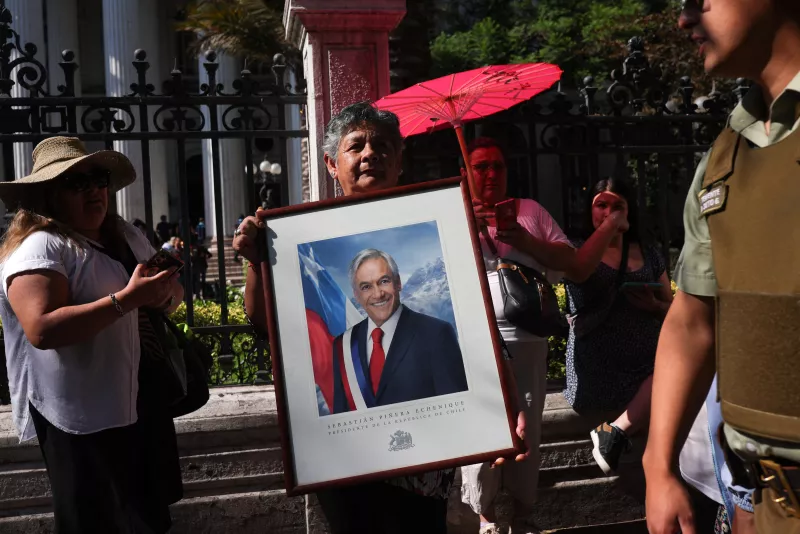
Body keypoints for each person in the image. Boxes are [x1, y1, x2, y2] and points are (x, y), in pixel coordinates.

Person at [234, 102, 527, 534]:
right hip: (345, 464)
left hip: (426, 463)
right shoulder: (293, 241)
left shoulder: (444, 224)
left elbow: (478, 331)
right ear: (333, 163)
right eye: (357, 146)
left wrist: (507, 404)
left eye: (384, 145)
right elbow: (265, 323)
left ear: (400, 160)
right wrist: (256, 261)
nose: (371, 153)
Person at [643, 1, 800, 534]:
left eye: (697, 1)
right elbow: (693, 320)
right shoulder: (725, 154)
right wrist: (658, 467)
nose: (685, 20)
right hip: (765, 503)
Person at [0, 137, 184, 533]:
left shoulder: (124, 234)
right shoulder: (40, 247)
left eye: (98, 179)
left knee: (148, 519)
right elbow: (42, 328)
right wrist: (127, 299)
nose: (94, 190)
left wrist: (163, 296)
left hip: (139, 402)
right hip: (81, 419)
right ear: (48, 194)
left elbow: (170, 297)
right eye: (76, 183)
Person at [458, 137, 574, 534]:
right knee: (481, 428)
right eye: (481, 167)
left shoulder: (530, 213)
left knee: (531, 430)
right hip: (475, 344)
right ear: (465, 173)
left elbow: (568, 260)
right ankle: (485, 517)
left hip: (526, 342)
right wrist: (464, 228)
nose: (491, 173)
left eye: (498, 166)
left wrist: (524, 240)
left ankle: (524, 515)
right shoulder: (455, 213)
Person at [562, 178, 672, 474]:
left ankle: (616, 432)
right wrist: (609, 228)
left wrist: (654, 306)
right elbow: (579, 276)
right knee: (668, 375)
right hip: (598, 368)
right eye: (602, 205)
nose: (609, 212)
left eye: (617, 206)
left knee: (676, 366)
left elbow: (675, 308)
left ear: (629, 211)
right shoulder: (576, 250)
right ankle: (617, 431)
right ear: (590, 210)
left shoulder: (648, 254)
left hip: (646, 365)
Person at [331, 248, 467, 414]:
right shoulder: (343, 345)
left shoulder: (436, 334)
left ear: (398, 283)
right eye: (366, 287)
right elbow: (341, 415)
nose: (378, 294)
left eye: (384, 281)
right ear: (356, 295)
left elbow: (457, 410)